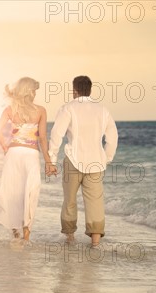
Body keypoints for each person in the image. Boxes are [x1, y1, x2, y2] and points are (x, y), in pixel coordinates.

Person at [48, 75, 118, 245]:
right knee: (95, 202)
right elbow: (113, 137)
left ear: (74, 90)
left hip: (73, 160)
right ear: (90, 89)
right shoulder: (102, 109)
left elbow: (57, 134)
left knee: (70, 200)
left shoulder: (68, 108)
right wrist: (107, 158)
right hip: (96, 162)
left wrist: (51, 159)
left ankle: (70, 237)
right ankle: (95, 243)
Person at [0, 77, 53, 242]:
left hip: (13, 154)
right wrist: (48, 162)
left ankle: (15, 233)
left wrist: (5, 147)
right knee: (31, 191)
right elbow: (42, 138)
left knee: (13, 191)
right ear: (29, 91)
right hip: (31, 155)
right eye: (34, 90)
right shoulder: (41, 110)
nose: (35, 94)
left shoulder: (9, 109)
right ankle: (26, 235)